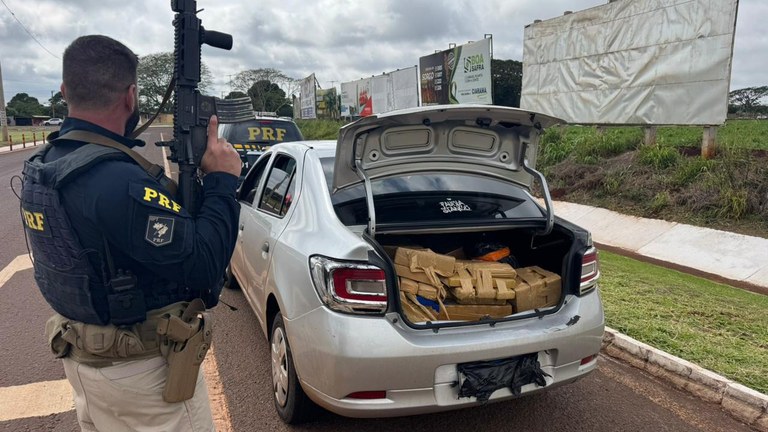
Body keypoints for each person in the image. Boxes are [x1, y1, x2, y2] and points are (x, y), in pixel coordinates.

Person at [19, 35, 242, 431]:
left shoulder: (49, 161)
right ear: (132, 96)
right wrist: (222, 181)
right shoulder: (119, 181)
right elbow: (204, 266)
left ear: (64, 91)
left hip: (86, 361)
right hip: (141, 378)